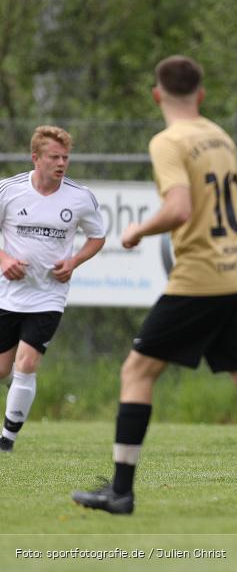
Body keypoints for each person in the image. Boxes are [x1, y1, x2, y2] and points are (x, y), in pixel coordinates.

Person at [72, 56, 237, 515]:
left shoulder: (168, 141)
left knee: (137, 372)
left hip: (201, 277)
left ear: (157, 94)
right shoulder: (219, 135)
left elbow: (179, 208)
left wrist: (139, 230)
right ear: (201, 95)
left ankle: (120, 492)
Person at [0, 126, 106, 453]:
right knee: (3, 367)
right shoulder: (8, 190)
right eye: (54, 157)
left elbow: (97, 236)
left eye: (65, 157)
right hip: (8, 293)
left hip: (49, 295)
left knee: (27, 363)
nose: (61, 163)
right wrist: (3, 258)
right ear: (36, 158)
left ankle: (7, 440)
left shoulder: (79, 197)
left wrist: (73, 262)